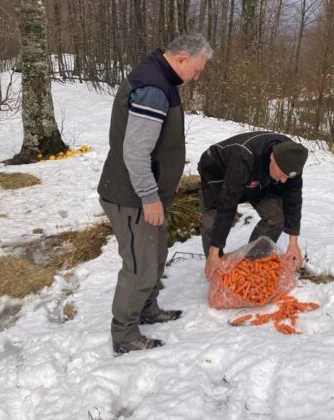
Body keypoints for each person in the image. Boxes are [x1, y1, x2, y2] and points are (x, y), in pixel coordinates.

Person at [97, 33, 212, 355]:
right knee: (139, 266)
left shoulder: (160, 79)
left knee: (155, 257)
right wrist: (149, 197)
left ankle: (147, 309)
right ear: (180, 59)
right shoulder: (153, 89)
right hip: (132, 197)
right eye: (197, 70)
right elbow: (135, 153)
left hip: (149, 194)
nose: (197, 76)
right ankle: (124, 334)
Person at [197, 131, 309, 280]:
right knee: (212, 221)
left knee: (277, 216)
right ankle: (216, 267)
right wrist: (214, 252)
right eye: (281, 174)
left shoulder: (292, 159)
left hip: (259, 178)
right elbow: (227, 204)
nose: (283, 181)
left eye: (287, 177)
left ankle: (250, 263)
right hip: (219, 173)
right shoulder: (244, 156)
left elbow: (293, 199)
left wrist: (293, 242)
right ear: (272, 158)